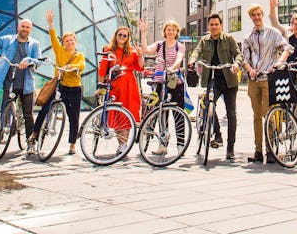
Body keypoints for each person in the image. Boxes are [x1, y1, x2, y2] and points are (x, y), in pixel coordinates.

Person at [187, 13, 243, 160]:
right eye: (211, 25)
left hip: (229, 80)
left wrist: (237, 63)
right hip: (213, 79)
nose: (214, 27)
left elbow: (238, 54)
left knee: (231, 114)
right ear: (208, 26)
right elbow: (196, 51)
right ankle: (217, 135)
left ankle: (230, 148)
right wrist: (192, 60)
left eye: (216, 24)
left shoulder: (229, 39)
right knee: (207, 104)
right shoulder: (204, 41)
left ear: (221, 25)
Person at [241, 4, 293, 163]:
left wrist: (279, 62)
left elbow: (287, 47)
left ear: (262, 15)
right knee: (256, 116)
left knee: (269, 115)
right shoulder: (248, 37)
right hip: (254, 80)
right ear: (251, 17)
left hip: (269, 79)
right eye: (253, 15)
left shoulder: (273, 32)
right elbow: (245, 59)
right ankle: (258, 151)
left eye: (258, 14)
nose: (256, 18)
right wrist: (249, 70)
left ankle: (270, 150)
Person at [32, 10, 86, 155]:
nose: (69, 42)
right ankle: (35, 133)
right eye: (66, 40)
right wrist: (50, 23)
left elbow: (81, 66)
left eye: (71, 40)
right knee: (45, 108)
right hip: (61, 87)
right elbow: (53, 39)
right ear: (63, 43)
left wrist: (71, 67)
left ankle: (72, 144)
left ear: (75, 42)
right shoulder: (59, 51)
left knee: (73, 116)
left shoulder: (79, 55)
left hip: (75, 89)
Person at [0, 18, 42, 150]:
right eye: (23, 26)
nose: (25, 29)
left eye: (27, 27)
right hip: (10, 83)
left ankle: (31, 143)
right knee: (4, 112)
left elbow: (38, 61)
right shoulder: (7, 40)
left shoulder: (34, 44)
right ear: (18, 27)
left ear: (30, 30)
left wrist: (28, 60)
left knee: (28, 115)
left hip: (26, 84)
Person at [140, 19, 187, 155]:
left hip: (175, 83)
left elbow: (179, 58)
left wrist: (172, 68)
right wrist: (143, 33)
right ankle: (163, 145)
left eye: (173, 29)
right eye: (168, 29)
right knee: (162, 114)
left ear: (177, 32)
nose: (171, 32)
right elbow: (146, 50)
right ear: (165, 32)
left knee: (178, 114)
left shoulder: (180, 46)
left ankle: (180, 146)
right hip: (161, 83)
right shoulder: (160, 45)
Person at [98, 26, 145, 154]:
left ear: (128, 38)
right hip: (114, 84)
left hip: (129, 84)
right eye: (120, 35)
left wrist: (140, 56)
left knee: (128, 113)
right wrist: (100, 85)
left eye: (125, 36)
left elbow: (140, 68)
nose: (122, 37)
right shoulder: (108, 50)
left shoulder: (132, 51)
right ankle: (122, 144)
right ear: (116, 35)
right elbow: (102, 69)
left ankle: (123, 145)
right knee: (118, 113)